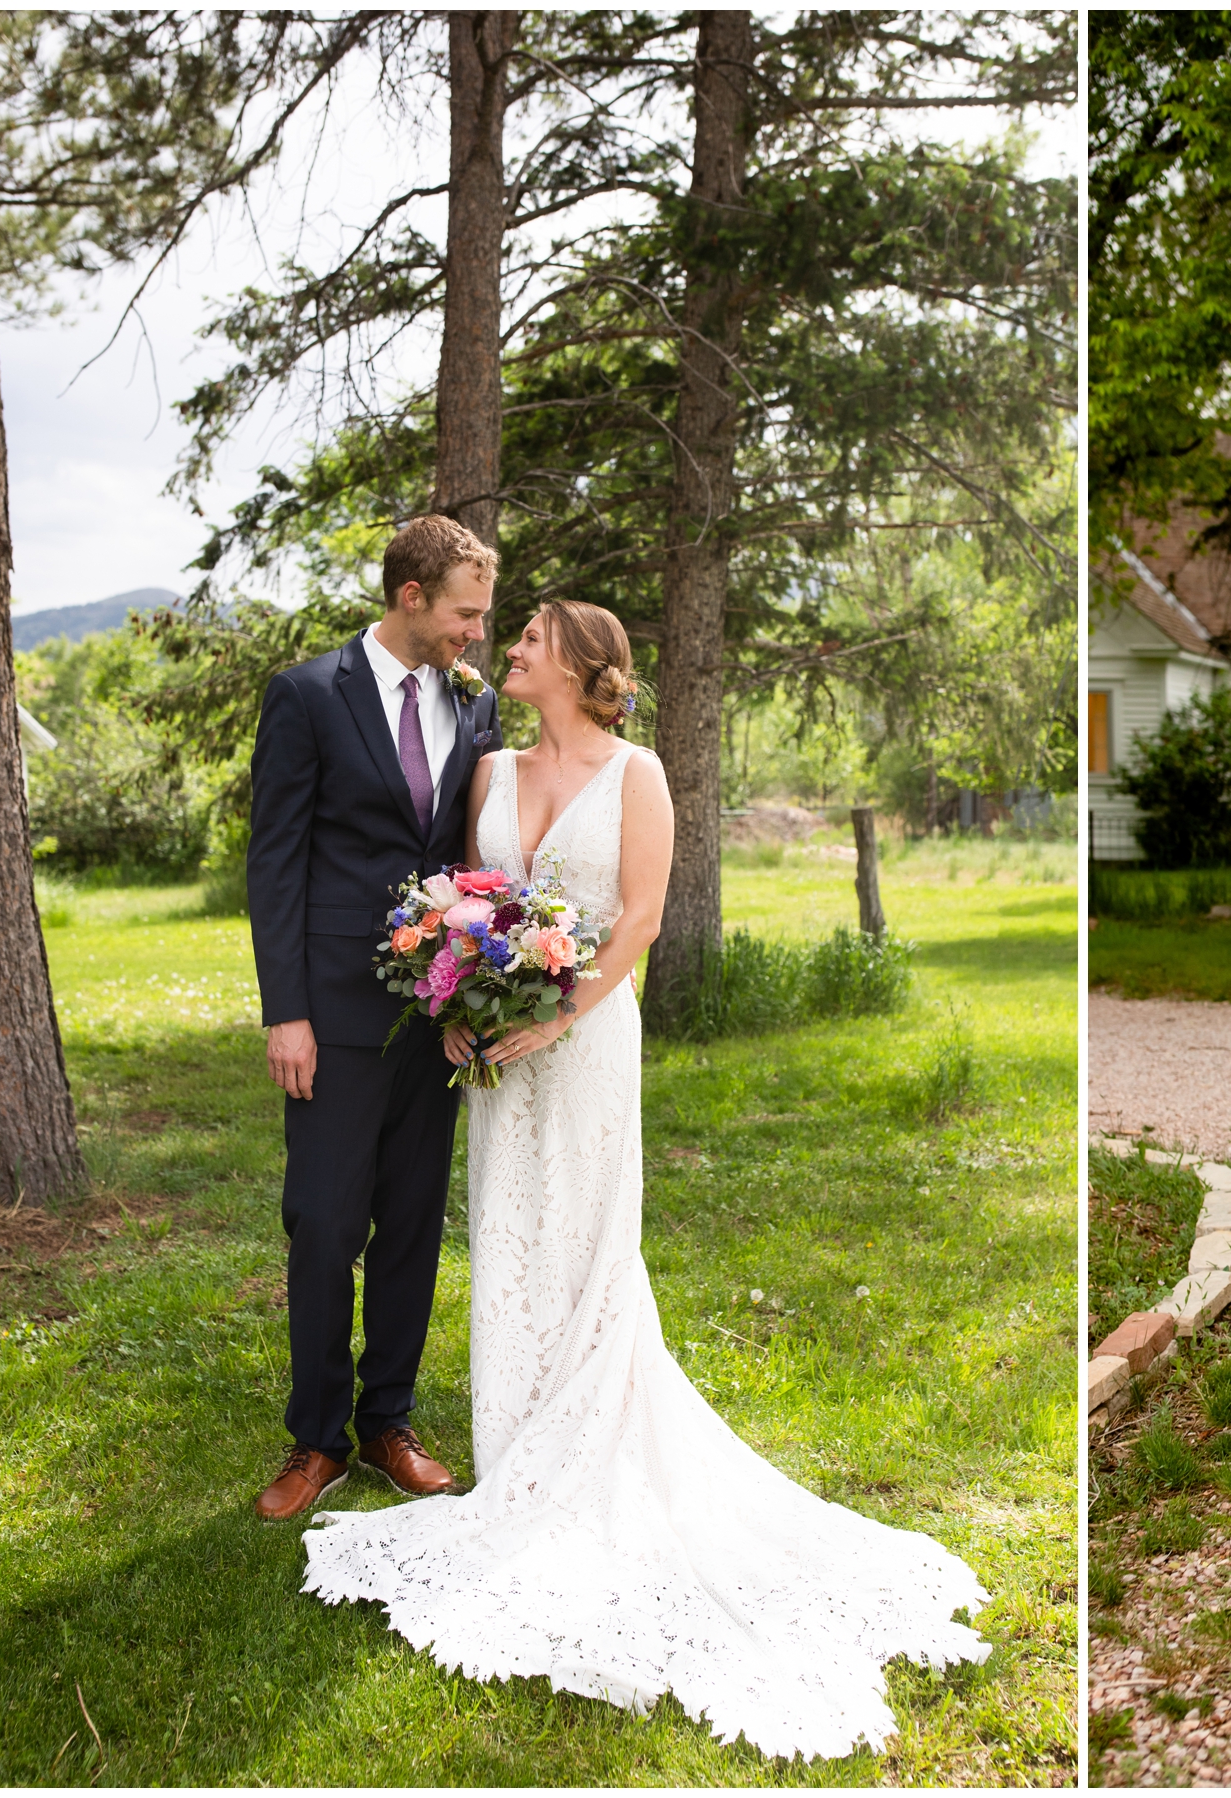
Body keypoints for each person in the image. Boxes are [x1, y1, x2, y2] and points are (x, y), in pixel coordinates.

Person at [299, 600, 990, 1760]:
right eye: (506, 633)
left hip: (585, 1039)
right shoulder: (490, 770)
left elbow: (641, 922)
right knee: (509, 1228)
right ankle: (521, 1449)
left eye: (527, 638)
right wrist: (462, 1013)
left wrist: (553, 1019)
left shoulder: (643, 774)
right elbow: (467, 906)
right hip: (497, 1052)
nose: (507, 648)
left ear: (577, 664)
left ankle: (598, 1438)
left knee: (583, 1230)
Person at [246, 515, 501, 1521]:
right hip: (334, 1013)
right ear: (410, 598)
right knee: (321, 1221)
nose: (476, 635)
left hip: (430, 1018)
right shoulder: (308, 695)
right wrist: (287, 1014)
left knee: (410, 1227)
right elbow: (275, 862)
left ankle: (388, 1421)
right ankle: (316, 1439)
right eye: (464, 613)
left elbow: (469, 854)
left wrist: (473, 989)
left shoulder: (471, 705)